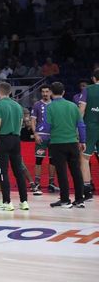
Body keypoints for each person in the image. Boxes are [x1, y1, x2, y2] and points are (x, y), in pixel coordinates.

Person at [0, 82, 29, 211]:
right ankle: (24, 202)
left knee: (3, 171)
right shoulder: (18, 106)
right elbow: (21, 123)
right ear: (10, 92)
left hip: (3, 140)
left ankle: (7, 202)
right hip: (16, 139)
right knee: (18, 171)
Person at [46, 82, 86, 208]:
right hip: (73, 143)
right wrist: (82, 141)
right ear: (63, 92)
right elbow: (81, 125)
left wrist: (42, 136)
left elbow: (47, 126)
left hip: (57, 143)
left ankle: (65, 200)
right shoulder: (73, 106)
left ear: (51, 93)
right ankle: (80, 200)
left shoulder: (50, 107)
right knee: (76, 171)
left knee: (62, 172)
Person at [76, 69, 99, 200]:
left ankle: (88, 191)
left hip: (90, 127)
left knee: (84, 159)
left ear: (94, 79)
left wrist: (77, 129)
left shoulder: (88, 90)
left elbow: (82, 110)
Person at [31, 84, 57, 194]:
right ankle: (37, 183)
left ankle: (51, 184)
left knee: (53, 160)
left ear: (51, 92)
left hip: (53, 136)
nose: (45, 94)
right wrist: (35, 134)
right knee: (38, 160)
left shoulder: (56, 104)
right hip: (41, 136)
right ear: (41, 93)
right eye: (43, 92)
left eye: (47, 91)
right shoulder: (37, 105)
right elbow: (33, 121)